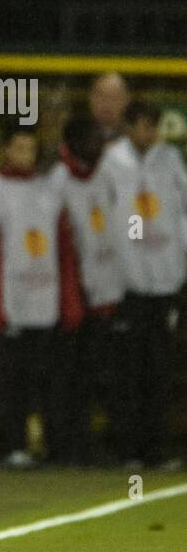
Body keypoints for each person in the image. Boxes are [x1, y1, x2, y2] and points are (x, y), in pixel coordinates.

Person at [0, 126, 83, 468]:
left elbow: (64, 254)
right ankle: (12, 446)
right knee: (9, 385)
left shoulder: (50, 195)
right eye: (18, 147)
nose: (25, 154)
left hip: (45, 305)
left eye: (30, 148)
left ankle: (56, 447)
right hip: (11, 307)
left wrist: (70, 303)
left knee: (52, 386)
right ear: (5, 149)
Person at [101, 102, 187, 469]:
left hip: (165, 281)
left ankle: (154, 449)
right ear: (128, 128)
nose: (146, 134)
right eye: (139, 126)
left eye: (151, 127)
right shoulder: (110, 163)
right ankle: (127, 449)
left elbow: (183, 212)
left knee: (158, 370)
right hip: (127, 284)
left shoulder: (170, 161)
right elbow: (103, 216)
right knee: (127, 371)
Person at [48, 115, 123, 465]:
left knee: (96, 376)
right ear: (76, 142)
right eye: (94, 139)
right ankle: (63, 447)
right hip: (70, 298)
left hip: (103, 294)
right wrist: (69, 293)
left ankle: (88, 445)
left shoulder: (107, 174)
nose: (100, 145)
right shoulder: (58, 182)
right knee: (65, 377)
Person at [87, 71, 131, 145]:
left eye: (113, 97)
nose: (106, 103)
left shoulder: (135, 139)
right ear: (91, 99)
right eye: (101, 96)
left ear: (126, 101)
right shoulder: (76, 135)